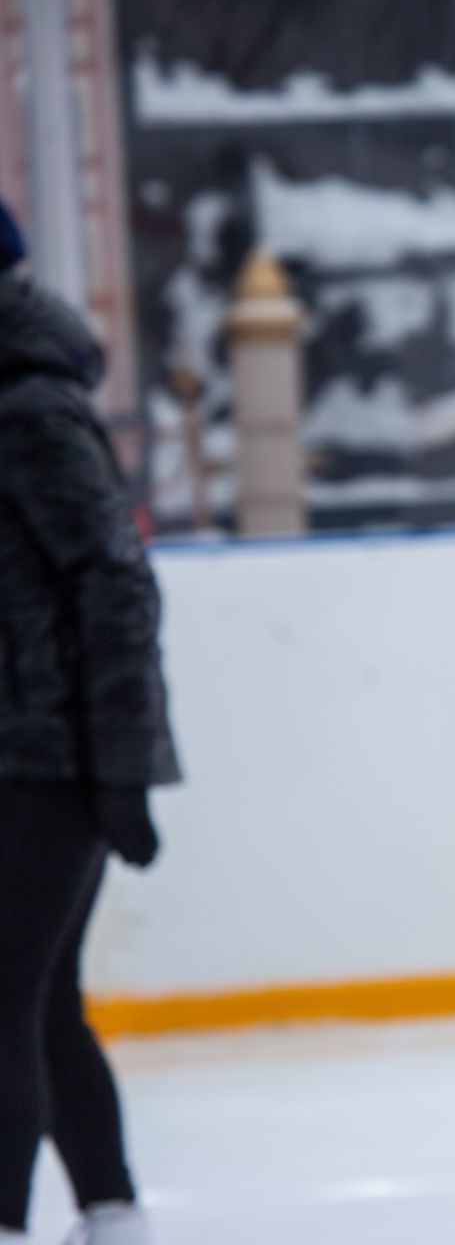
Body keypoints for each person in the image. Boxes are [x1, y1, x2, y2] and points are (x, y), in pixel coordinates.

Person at [0, 199, 178, 1245]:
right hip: (23, 743)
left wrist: (120, 765)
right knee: (40, 993)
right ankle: (111, 1209)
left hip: (51, 754)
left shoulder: (28, 410)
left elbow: (117, 584)